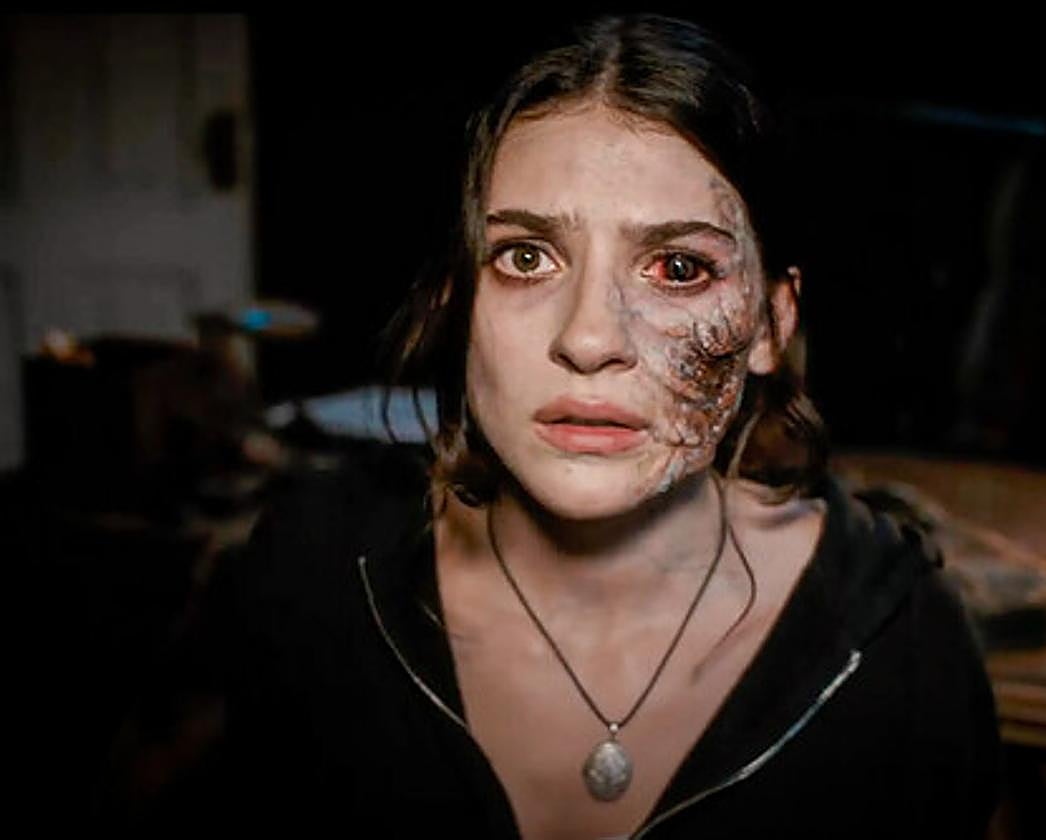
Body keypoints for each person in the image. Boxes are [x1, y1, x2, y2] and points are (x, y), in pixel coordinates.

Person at [222, 13, 999, 838]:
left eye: (678, 268)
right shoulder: (314, 583)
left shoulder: (897, 646)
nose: (589, 339)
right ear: (458, 301)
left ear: (771, 325)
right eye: (526, 257)